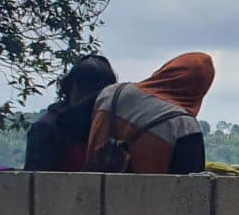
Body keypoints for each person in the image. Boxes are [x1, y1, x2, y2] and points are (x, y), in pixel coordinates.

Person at [84, 53, 214, 174]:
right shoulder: (184, 126)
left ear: (166, 70)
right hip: (146, 198)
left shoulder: (111, 93)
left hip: (87, 192)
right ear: (201, 89)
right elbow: (193, 187)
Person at [24, 56, 116, 171]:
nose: (89, 101)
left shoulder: (111, 128)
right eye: (84, 90)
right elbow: (35, 181)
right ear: (69, 88)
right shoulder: (47, 128)